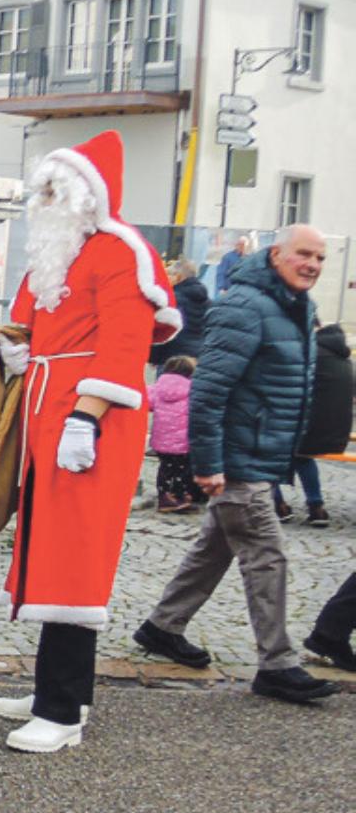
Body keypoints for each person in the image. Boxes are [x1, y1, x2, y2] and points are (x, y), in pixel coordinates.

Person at [0, 132, 182, 752]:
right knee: (48, 549)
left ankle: (63, 708)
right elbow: (30, 316)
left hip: (90, 423)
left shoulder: (121, 252)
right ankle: (58, 688)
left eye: (54, 189)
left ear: (84, 194)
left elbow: (126, 346)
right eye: (41, 189)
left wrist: (88, 416)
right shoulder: (60, 252)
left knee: (75, 557)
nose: (43, 199)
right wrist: (18, 348)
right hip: (49, 413)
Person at [133, 225, 338, 706]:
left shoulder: (294, 305)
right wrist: (208, 463)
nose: (313, 264)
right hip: (238, 460)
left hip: (259, 455)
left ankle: (162, 627)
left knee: (214, 551)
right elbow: (209, 390)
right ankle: (278, 664)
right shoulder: (245, 306)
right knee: (267, 558)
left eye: (321, 257)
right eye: (303, 254)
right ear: (274, 255)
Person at [290, 323, 350, 527]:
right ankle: (315, 507)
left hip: (312, 431)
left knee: (276, 451)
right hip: (340, 434)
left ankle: (280, 504)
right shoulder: (345, 361)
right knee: (298, 454)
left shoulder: (313, 356)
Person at [148, 356, 199, 514]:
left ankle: (164, 496)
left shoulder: (157, 388)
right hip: (183, 442)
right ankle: (179, 496)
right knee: (182, 470)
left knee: (165, 468)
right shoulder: (192, 389)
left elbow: (147, 402)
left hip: (161, 441)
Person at [151, 259, 208, 368]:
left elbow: (164, 328)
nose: (166, 278)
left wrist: (154, 358)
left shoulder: (172, 300)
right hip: (196, 358)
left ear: (178, 277)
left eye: (169, 275)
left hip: (172, 359)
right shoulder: (206, 301)